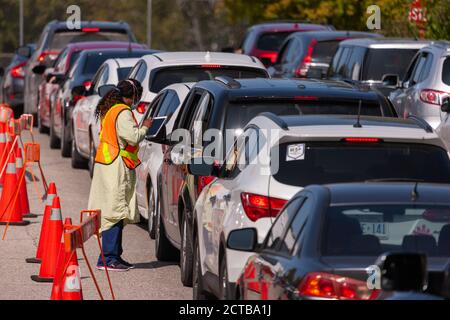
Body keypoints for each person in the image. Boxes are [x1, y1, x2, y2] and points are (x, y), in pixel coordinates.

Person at [88, 79, 152, 271]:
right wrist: (146, 126)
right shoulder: (123, 112)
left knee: (115, 210)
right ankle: (107, 258)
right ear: (133, 95)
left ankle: (114, 255)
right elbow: (132, 137)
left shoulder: (112, 110)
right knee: (114, 211)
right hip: (115, 166)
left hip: (109, 164)